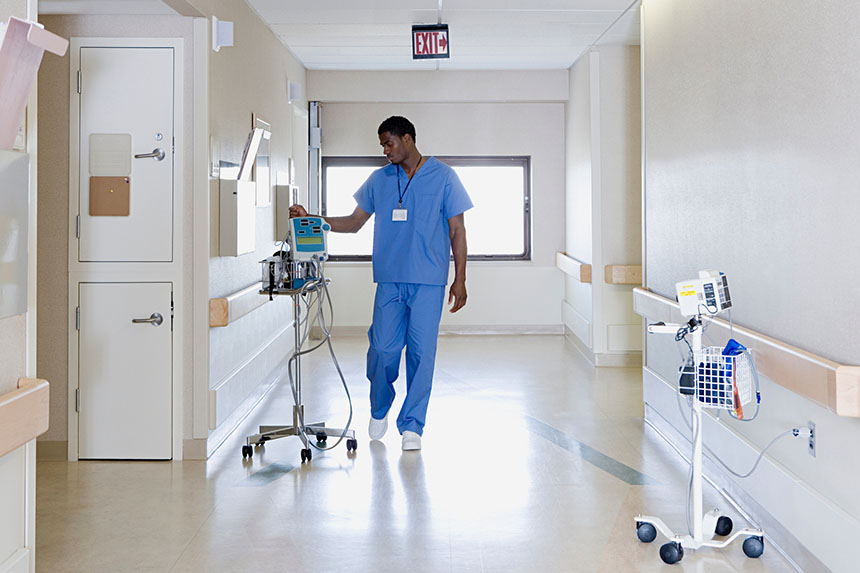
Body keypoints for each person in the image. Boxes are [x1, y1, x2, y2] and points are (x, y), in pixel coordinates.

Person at [290, 116, 472, 452]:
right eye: (382, 145)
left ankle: (413, 425)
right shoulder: (379, 179)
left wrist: (460, 279)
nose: (385, 151)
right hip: (389, 280)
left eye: (389, 143)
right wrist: (312, 219)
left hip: (429, 281)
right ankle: (379, 405)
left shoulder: (444, 177)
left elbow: (457, 230)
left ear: (407, 139)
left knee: (421, 354)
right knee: (383, 350)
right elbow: (354, 222)